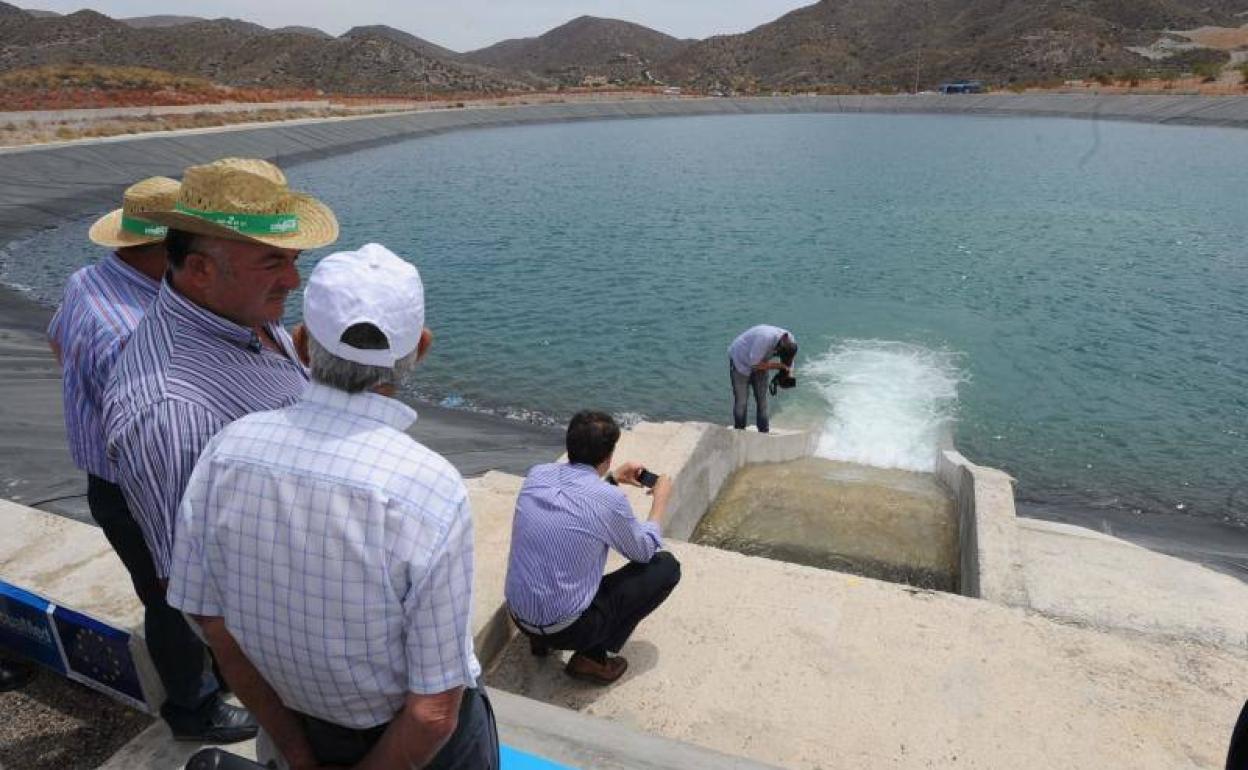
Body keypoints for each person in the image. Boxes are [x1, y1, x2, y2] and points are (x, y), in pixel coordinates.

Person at [168, 244, 498, 770]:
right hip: (410, 749)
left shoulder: (227, 451)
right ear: (422, 349)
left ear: (300, 344)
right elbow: (434, 712)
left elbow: (211, 621)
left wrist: (296, 750)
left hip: (297, 725)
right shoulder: (428, 488)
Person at [103, 158, 338, 741]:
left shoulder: (244, 313)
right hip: (297, 661)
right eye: (273, 263)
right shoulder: (172, 409)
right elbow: (199, 598)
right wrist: (288, 730)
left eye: (293, 260)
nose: (293, 280)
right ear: (201, 269)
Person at [48, 176, 241, 740]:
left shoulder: (88, 281)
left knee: (170, 591)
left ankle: (214, 677)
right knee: (170, 595)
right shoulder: (137, 331)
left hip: (106, 479)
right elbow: (153, 434)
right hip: (144, 486)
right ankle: (194, 708)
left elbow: (58, 342)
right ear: (165, 248)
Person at [505, 411, 681, 685]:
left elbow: (576, 503)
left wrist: (610, 479)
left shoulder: (537, 475)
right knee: (666, 568)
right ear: (609, 455)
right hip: (567, 629)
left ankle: (540, 642)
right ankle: (593, 657)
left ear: (569, 445)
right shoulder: (609, 500)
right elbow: (643, 551)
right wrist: (660, 501)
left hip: (520, 616)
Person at [727, 324, 798, 433]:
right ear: (778, 347)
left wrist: (788, 375)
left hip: (761, 360)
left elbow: (789, 362)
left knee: (762, 401)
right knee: (742, 401)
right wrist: (779, 366)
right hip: (740, 362)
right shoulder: (765, 338)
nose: (778, 357)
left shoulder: (791, 342)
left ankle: (764, 433)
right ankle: (740, 432)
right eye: (778, 355)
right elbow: (754, 364)